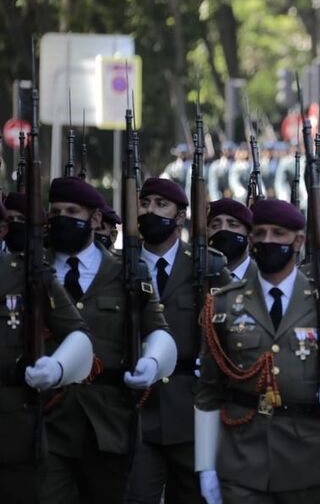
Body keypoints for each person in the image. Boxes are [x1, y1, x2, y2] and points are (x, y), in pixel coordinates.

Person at [195, 198, 320, 503]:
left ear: (297, 241)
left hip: (308, 457)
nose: (268, 240)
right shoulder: (224, 304)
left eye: (278, 234)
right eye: (261, 233)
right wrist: (206, 467)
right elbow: (208, 392)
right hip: (243, 457)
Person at [42, 176, 176, 503]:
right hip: (46, 422)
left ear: (96, 219)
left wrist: (153, 361)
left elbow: (157, 328)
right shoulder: (34, 268)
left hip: (107, 424)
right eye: (56, 210)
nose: (63, 218)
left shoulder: (125, 273)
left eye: (73, 211)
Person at [128, 177, 224, 504]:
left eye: (161, 204)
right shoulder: (121, 267)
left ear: (181, 216)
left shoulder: (208, 266)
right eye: (145, 203)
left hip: (191, 408)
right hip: (137, 408)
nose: (150, 211)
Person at [0, 199, 94, 504]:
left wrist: (56, 368)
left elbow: (78, 335)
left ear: (2, 229)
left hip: (11, 428)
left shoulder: (27, 274)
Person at [208, 199, 255, 282]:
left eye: (233, 225)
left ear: (249, 235)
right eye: (215, 226)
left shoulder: (263, 277)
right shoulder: (198, 277)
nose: (222, 229)